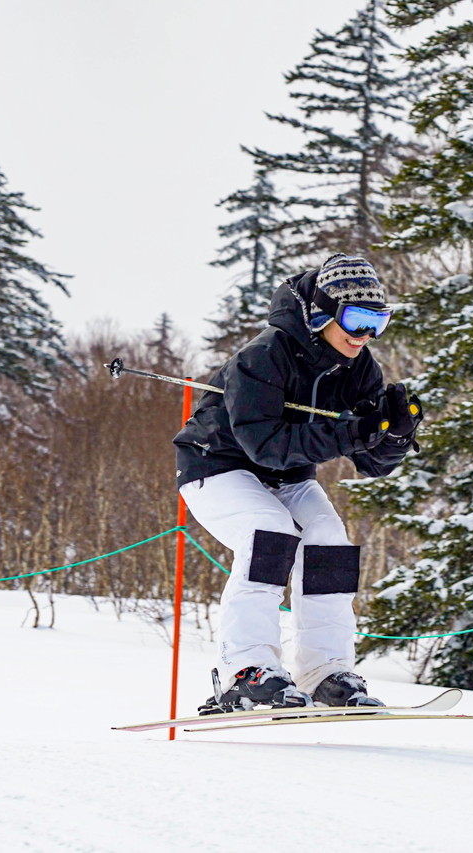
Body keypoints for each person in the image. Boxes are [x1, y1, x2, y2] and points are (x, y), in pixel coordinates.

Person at [173, 253, 421, 711]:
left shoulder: (360, 367)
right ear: (324, 311)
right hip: (217, 466)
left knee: (329, 539)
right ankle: (245, 670)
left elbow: (371, 465)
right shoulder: (264, 355)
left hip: (287, 476)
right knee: (270, 533)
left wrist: (392, 438)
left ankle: (325, 671)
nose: (365, 334)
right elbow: (264, 444)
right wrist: (351, 432)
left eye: (378, 322)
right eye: (358, 318)